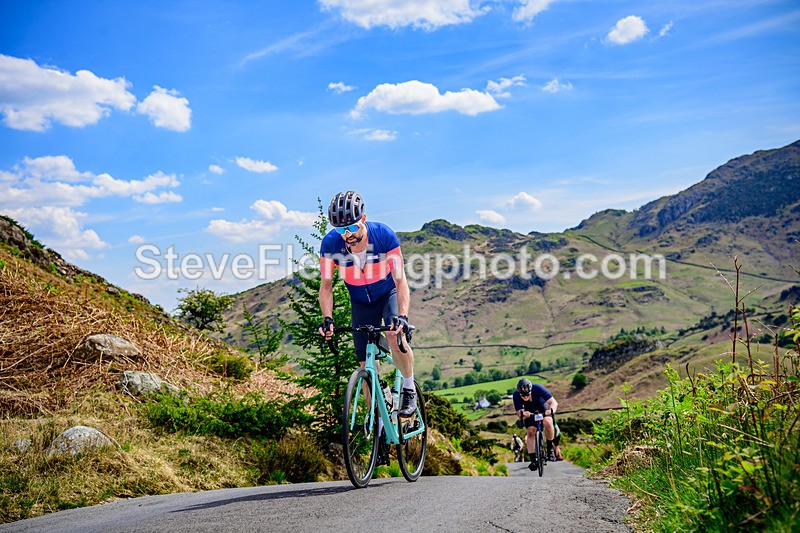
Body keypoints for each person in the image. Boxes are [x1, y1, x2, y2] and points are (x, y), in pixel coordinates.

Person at [318, 190, 417, 419]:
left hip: (387, 294)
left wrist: (403, 316)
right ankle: (378, 429)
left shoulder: (384, 236)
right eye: (341, 230)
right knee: (365, 366)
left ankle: (409, 388)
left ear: (363, 219)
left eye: (352, 227)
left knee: (394, 335)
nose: (347, 235)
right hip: (360, 302)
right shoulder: (330, 245)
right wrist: (327, 318)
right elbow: (326, 286)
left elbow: (401, 282)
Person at [512, 377, 559, 471]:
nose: (525, 398)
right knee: (530, 432)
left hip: (542, 407)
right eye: (523, 396)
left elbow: (554, 402)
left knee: (548, 422)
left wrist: (551, 410)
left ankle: (550, 448)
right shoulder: (516, 394)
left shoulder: (537, 388)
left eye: (527, 395)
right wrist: (523, 414)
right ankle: (533, 460)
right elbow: (519, 413)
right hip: (529, 412)